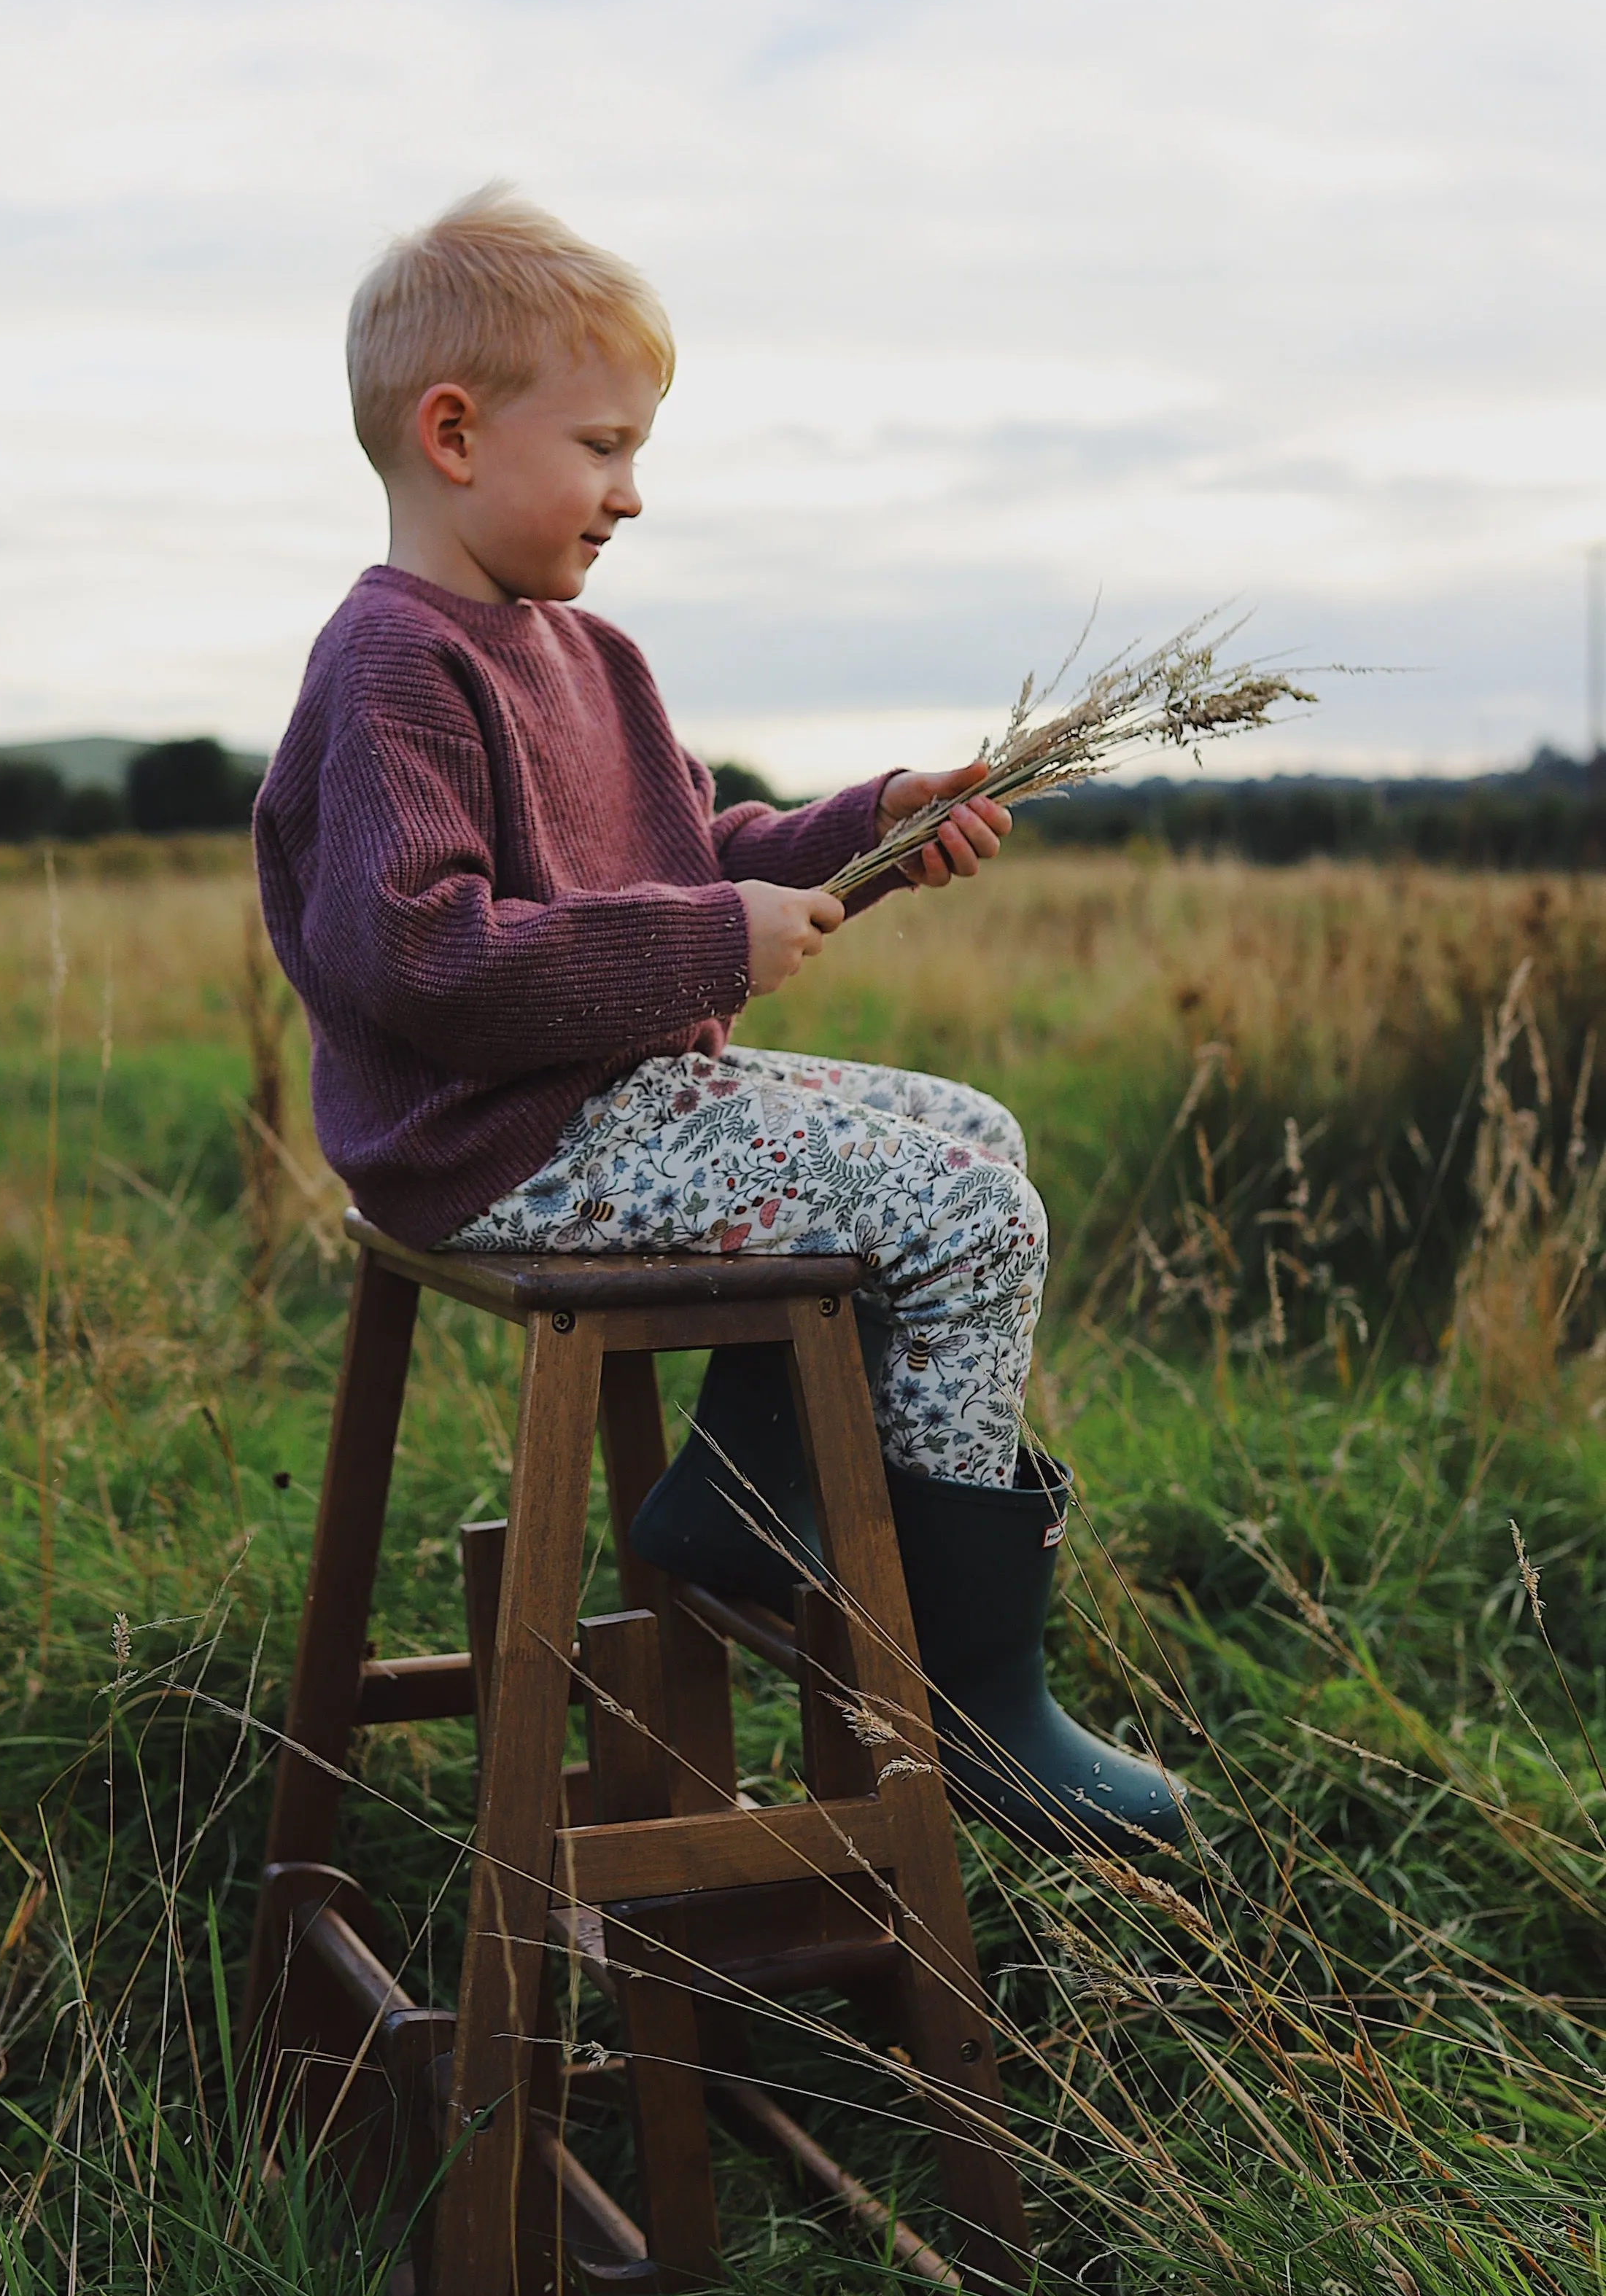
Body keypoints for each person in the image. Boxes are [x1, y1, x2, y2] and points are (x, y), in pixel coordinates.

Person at [254, 187, 1181, 1853]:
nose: (632, 491)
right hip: (495, 1140)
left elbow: (706, 860)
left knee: (979, 1138)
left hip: (603, 1103)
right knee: (971, 1217)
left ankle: (759, 1505)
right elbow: (425, 962)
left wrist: (879, 824)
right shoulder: (392, 663)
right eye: (603, 446)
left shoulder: (590, 658)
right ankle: (967, 1683)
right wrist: (707, 946)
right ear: (452, 433)